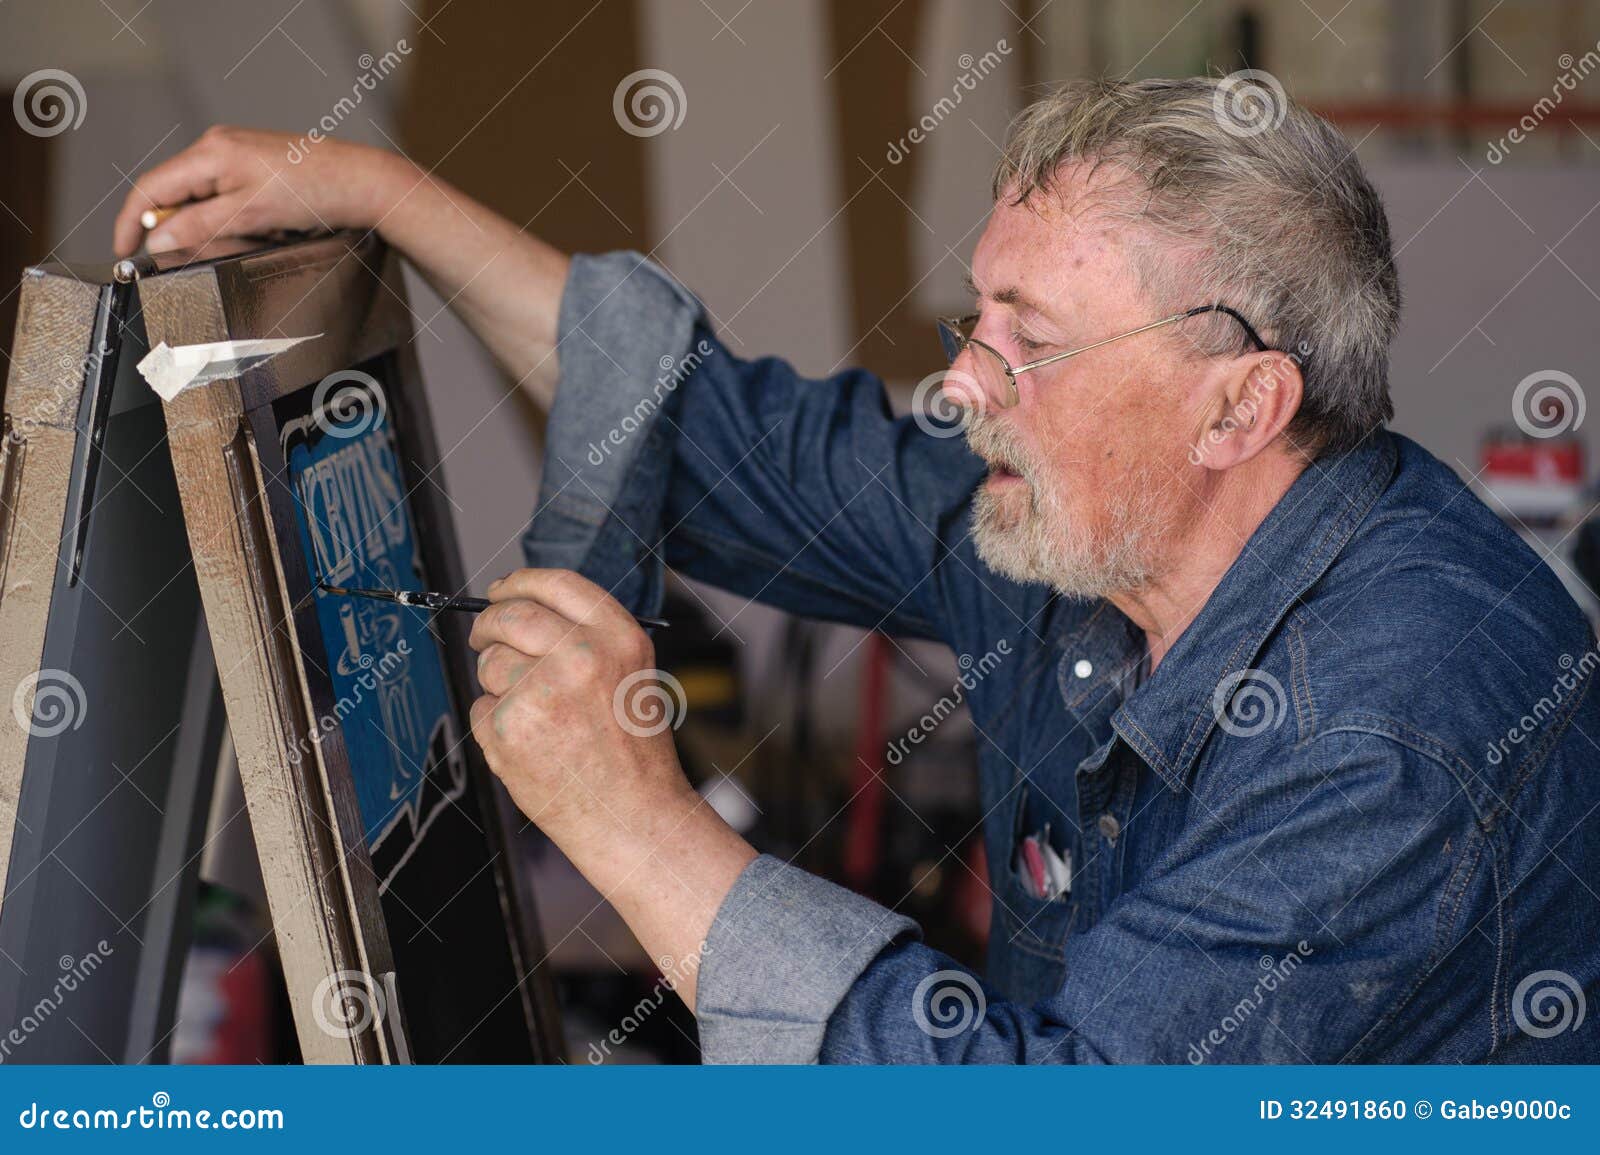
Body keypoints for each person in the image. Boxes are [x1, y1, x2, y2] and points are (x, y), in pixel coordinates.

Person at [114, 77, 1600, 1063]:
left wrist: (636, 823)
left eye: (1033, 339)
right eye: (977, 319)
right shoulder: (1092, 531)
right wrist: (383, 196)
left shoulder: (1398, 723)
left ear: (1241, 405)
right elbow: (722, 437)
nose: (963, 386)